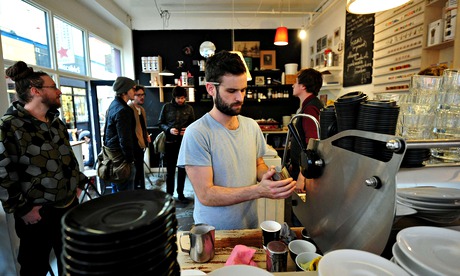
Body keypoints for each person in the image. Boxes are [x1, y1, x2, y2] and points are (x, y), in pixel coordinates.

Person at [177, 50, 296, 230]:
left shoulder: (251, 126)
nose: (240, 98)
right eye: (231, 91)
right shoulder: (197, 133)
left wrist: (270, 178)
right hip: (214, 233)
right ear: (211, 89)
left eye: (243, 90)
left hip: (249, 224)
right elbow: (206, 194)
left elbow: (258, 164)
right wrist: (258, 190)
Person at [0, 61, 88, 275]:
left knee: (72, 261)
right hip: (37, 213)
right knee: (34, 267)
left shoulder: (55, 121)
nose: (59, 91)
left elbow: (67, 157)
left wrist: (76, 183)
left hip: (68, 206)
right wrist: (22, 209)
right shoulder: (9, 126)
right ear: (35, 90)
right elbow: (2, 172)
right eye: (53, 87)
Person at [289, 68, 324, 226]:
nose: (293, 85)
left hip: (305, 172)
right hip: (301, 168)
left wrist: (302, 178)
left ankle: (300, 247)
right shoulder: (308, 106)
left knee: (301, 217)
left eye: (295, 82)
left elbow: (313, 143)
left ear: (303, 86)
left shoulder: (310, 108)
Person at [158, 86, 195, 203]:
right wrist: (169, 130)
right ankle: (169, 195)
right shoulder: (166, 107)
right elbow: (160, 123)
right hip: (170, 142)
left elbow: (194, 124)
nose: (181, 100)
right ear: (174, 97)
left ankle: (181, 194)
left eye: (183, 98)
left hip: (184, 143)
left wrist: (188, 129)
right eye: (179, 98)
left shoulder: (189, 108)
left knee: (182, 170)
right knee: (170, 172)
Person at [104, 76, 137, 192]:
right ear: (126, 90)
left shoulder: (113, 105)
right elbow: (125, 139)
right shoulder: (123, 110)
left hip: (113, 158)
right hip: (121, 160)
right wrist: (130, 160)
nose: (135, 91)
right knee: (126, 197)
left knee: (116, 192)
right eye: (133, 89)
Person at [129, 85, 151, 190]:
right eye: (138, 95)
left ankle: (141, 190)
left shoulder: (142, 110)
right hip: (133, 145)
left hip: (141, 145)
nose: (141, 97)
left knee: (140, 171)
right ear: (133, 95)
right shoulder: (129, 108)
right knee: (134, 173)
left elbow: (143, 126)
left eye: (143, 95)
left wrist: (146, 135)